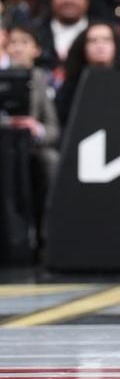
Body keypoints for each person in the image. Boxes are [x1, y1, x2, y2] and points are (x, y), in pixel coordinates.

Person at [5, 24, 60, 241]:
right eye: (13, 43)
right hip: (4, 145)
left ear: (36, 50)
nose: (18, 48)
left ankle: (46, 234)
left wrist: (36, 129)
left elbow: (53, 129)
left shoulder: (40, 79)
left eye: (24, 42)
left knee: (51, 160)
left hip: (31, 148)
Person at [56, 21, 117, 127]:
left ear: (115, 45)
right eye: (93, 41)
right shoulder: (72, 84)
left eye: (106, 40)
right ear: (83, 47)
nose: (100, 46)